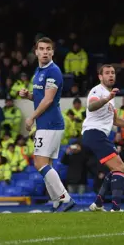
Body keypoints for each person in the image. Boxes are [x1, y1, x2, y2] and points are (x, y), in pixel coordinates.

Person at [20, 37, 75, 212]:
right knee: (47, 164)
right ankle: (57, 201)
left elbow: (49, 99)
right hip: (47, 123)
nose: (44, 52)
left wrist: (31, 118)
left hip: (50, 122)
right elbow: (41, 97)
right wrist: (28, 95)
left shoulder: (53, 71)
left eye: (48, 49)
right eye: (41, 49)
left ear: (52, 52)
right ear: (36, 52)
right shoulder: (39, 71)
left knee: (39, 163)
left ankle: (64, 198)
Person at [84, 64, 124, 212]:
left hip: (97, 134)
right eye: (107, 73)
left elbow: (116, 120)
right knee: (120, 167)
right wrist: (107, 98)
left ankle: (98, 204)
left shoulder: (109, 95)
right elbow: (92, 106)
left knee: (116, 168)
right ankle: (116, 208)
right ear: (100, 77)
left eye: (113, 72)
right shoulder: (97, 91)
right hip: (94, 133)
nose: (111, 75)